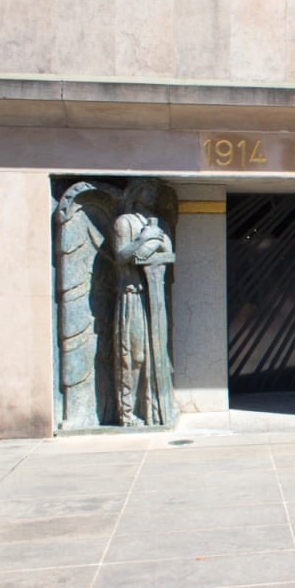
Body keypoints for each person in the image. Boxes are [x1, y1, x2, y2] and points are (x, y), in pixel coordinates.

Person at [113, 179, 176, 426]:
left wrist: (157, 240)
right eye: (148, 190)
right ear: (136, 192)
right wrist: (143, 240)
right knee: (134, 354)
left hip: (155, 296)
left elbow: (167, 251)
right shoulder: (125, 222)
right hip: (133, 295)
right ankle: (127, 413)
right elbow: (121, 256)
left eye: (155, 191)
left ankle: (155, 408)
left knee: (157, 353)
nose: (152, 195)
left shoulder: (159, 224)